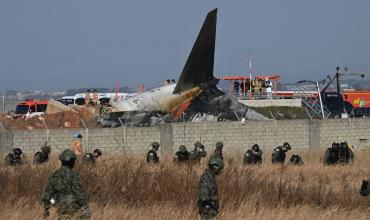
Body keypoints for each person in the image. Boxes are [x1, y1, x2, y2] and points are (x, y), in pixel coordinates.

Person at [42, 149, 90, 219]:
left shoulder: (54, 175)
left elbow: (47, 195)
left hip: (59, 208)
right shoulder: (73, 175)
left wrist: (46, 210)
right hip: (74, 208)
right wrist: (86, 207)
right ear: (72, 162)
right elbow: (79, 193)